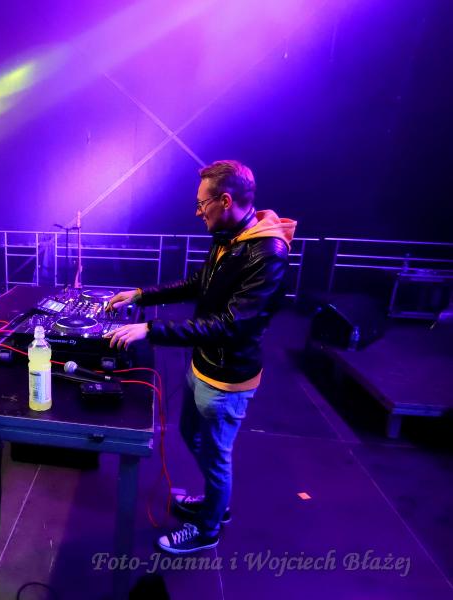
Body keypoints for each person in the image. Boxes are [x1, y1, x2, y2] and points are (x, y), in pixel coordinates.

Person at [103, 160, 296, 554]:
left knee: (216, 456)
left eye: (201, 204)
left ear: (225, 200)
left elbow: (231, 325)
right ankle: (215, 503)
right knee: (192, 435)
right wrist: (142, 295)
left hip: (228, 378)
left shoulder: (267, 252)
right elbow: (199, 283)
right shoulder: (230, 236)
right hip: (203, 364)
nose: (197, 212)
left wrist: (151, 329)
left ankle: (209, 529)